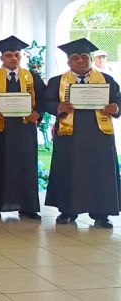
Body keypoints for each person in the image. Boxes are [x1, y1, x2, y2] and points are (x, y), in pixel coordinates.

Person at [44, 38, 121, 228]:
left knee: (100, 173)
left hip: (99, 135)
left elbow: (119, 100)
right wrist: (58, 107)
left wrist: (116, 107)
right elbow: (45, 102)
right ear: (68, 62)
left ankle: (101, 213)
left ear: (90, 59)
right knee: (69, 171)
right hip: (70, 135)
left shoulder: (107, 80)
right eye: (76, 57)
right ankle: (68, 211)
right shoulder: (58, 81)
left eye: (85, 56)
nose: (81, 60)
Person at [0, 36, 46, 219]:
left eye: (17, 55)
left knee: (25, 166)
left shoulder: (31, 77)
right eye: (9, 55)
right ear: (2, 58)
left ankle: (28, 207)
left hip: (24, 131)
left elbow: (44, 99)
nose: (14, 58)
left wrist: (38, 113)